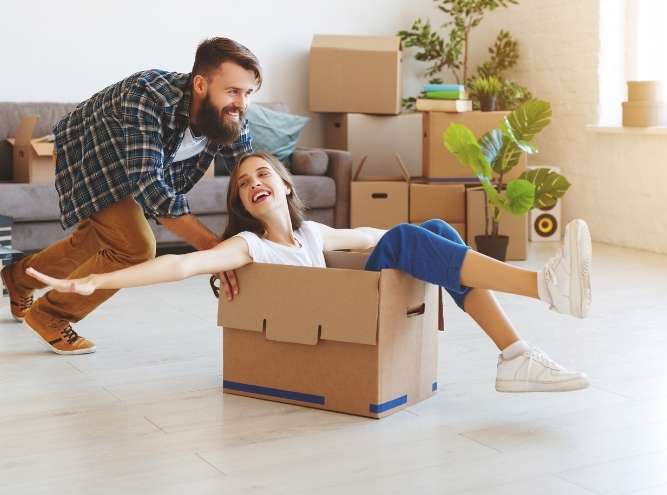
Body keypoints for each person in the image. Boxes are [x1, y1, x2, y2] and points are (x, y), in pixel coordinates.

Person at [26, 150, 593, 393]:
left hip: (353, 293)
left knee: (433, 235)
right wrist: (96, 281)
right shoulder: (249, 245)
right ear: (245, 205)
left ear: (286, 184)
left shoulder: (313, 235)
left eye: (261, 173)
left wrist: (421, 239)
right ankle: (543, 287)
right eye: (243, 184)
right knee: (406, 238)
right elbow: (181, 265)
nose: (252, 183)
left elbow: (371, 237)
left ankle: (515, 356)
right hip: (341, 309)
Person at [0, 37, 260, 354]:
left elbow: (253, 172)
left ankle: (18, 278)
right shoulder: (148, 94)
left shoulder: (232, 115)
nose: (242, 103)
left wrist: (272, 231)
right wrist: (214, 250)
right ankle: (50, 316)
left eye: (248, 93)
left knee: (97, 241)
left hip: (136, 163)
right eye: (233, 91)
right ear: (201, 84)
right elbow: (151, 186)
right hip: (92, 152)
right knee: (135, 247)